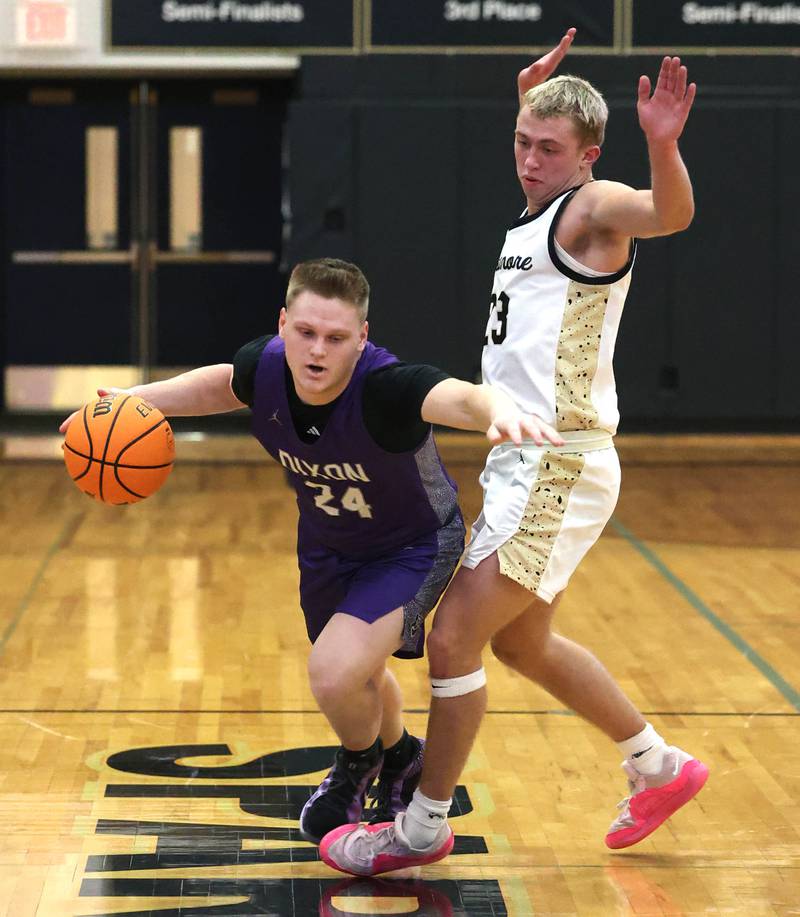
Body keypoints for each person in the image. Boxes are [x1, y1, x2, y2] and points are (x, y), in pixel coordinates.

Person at [320, 32, 709, 876]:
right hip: (527, 461)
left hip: (557, 461)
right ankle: (658, 765)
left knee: (453, 640)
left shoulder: (593, 206)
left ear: (588, 158)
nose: (530, 160)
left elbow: (668, 214)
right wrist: (531, 99)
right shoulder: (543, 206)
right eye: (522, 142)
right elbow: (545, 145)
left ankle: (420, 826)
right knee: (524, 645)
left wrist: (664, 145)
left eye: (549, 149)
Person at [60, 257, 562, 845]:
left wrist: (500, 410)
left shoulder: (385, 387)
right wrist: (133, 399)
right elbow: (223, 383)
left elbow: (460, 398)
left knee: (333, 671)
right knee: (354, 671)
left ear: (362, 337)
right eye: (305, 332)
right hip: (328, 543)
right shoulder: (266, 366)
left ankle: (357, 763)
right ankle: (402, 755)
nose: (318, 350)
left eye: (336, 338)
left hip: (410, 547)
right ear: (282, 325)